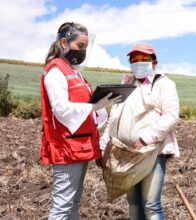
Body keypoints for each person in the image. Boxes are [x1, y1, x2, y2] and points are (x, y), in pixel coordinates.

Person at [40, 22, 120, 219]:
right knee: (62, 205)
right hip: (67, 147)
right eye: (80, 46)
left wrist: (101, 104)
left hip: (80, 145)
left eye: (85, 46)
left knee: (74, 202)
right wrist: (94, 106)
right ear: (64, 42)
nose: (83, 51)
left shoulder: (75, 73)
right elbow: (60, 109)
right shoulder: (56, 71)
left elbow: (86, 109)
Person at [99, 42, 180, 220]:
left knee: (151, 204)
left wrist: (144, 139)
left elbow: (171, 115)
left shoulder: (163, 84)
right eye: (135, 59)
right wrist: (103, 147)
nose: (139, 63)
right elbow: (114, 119)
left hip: (152, 151)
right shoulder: (126, 85)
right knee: (134, 203)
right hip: (126, 153)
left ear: (154, 62)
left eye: (144, 59)